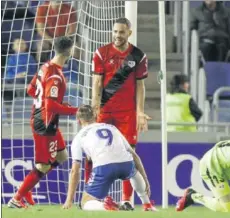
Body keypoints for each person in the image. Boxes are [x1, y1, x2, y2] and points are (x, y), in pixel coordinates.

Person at [8, 36, 78, 208]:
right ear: (69, 51)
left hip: (46, 120)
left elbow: (31, 89)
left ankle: (27, 186)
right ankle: (16, 199)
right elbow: (50, 105)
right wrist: (75, 111)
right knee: (43, 166)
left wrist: (51, 104)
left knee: (61, 156)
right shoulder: (55, 75)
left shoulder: (45, 66)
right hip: (44, 124)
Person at [90, 17, 151, 210]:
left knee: (129, 154)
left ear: (129, 33)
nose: (117, 35)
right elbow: (97, 82)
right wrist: (95, 106)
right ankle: (96, 197)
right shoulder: (101, 53)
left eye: (121, 32)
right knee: (96, 153)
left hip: (127, 113)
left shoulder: (138, 55)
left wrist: (140, 111)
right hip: (105, 110)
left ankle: (126, 200)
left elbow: (140, 86)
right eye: (115, 31)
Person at [62, 105, 156, 211]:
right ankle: (147, 204)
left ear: (78, 121)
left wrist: (69, 200)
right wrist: (145, 179)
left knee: (85, 202)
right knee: (134, 173)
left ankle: (106, 206)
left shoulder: (78, 137)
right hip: (125, 164)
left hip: (103, 168)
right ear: (96, 116)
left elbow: (75, 170)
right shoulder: (111, 127)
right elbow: (134, 156)